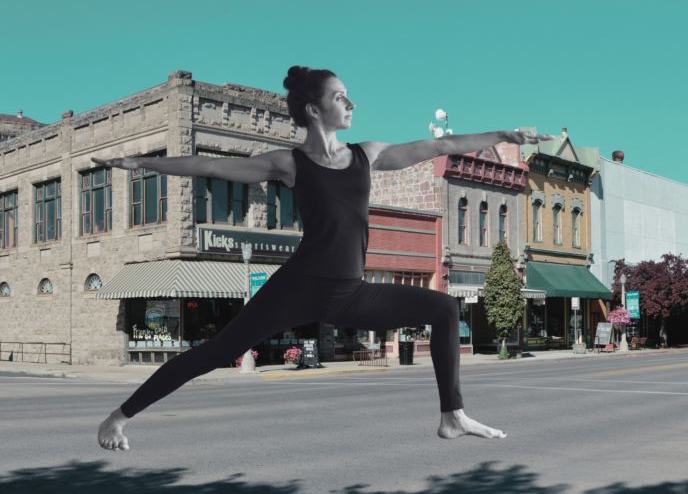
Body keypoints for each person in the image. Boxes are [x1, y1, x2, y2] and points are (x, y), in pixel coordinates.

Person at [95, 66, 553, 451]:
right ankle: (118, 416)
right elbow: (207, 166)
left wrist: (501, 134)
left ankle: (452, 415)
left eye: (349, 97)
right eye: (341, 97)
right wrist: (141, 164)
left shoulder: (366, 155)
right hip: (298, 286)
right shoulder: (290, 163)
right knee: (218, 352)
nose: (351, 104)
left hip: (350, 292)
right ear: (315, 109)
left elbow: (436, 147)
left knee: (444, 308)